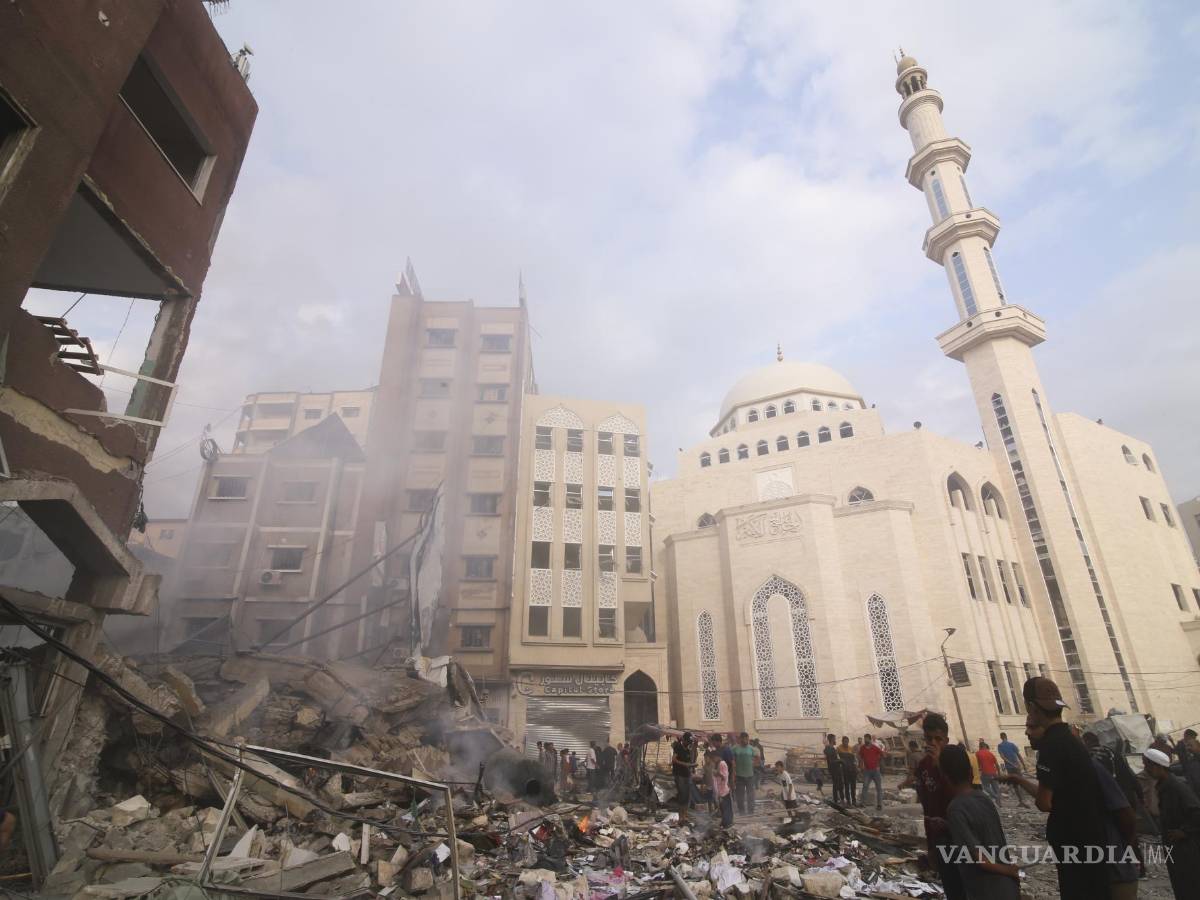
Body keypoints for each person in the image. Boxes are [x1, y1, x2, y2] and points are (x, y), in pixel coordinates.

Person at [999, 677, 1109, 900]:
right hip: (1093, 835)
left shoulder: (1050, 746)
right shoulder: (1072, 740)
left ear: (1031, 707)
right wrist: (1019, 780)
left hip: (1072, 840)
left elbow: (1044, 802)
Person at [940, 744, 1020, 899]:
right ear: (971, 772)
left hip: (987, 890)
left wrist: (1010, 871)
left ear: (945, 777)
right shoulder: (983, 798)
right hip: (1007, 886)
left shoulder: (955, 809)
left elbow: (981, 860)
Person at [914, 713, 965, 900]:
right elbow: (927, 807)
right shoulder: (922, 766)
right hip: (939, 837)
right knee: (951, 887)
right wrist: (931, 846)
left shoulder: (956, 761)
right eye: (929, 738)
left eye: (938, 739)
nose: (933, 743)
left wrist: (940, 766)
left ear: (946, 739)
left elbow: (962, 796)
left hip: (960, 834)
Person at [1144, 747, 1200, 898]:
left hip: (1186, 848)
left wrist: (1184, 831)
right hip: (1174, 847)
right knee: (1181, 884)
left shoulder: (1176, 787)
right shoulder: (1163, 786)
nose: (1145, 769)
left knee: (1190, 885)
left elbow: (1197, 812)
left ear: (1157, 766)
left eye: (1147, 765)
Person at [995, 732, 1027, 808]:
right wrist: (1023, 765)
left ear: (1001, 737)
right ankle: (1024, 800)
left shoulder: (1000, 746)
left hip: (1010, 767)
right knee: (1022, 782)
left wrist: (1012, 764)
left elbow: (1003, 757)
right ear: (1006, 736)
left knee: (1015, 784)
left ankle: (1021, 801)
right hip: (1017, 766)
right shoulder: (1012, 744)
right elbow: (1019, 755)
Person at [672, 731, 696, 823]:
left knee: (687, 795)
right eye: (688, 742)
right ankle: (680, 816)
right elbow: (674, 760)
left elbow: (689, 761)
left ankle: (685, 815)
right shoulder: (678, 747)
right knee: (682, 795)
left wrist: (691, 765)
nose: (689, 744)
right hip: (679, 775)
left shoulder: (687, 749)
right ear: (684, 740)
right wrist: (685, 764)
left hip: (687, 775)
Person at [732, 732, 757, 815]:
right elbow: (732, 759)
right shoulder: (735, 749)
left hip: (750, 776)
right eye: (743, 739)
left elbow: (758, 758)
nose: (745, 740)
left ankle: (751, 811)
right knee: (740, 796)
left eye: (747, 739)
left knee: (751, 795)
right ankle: (741, 811)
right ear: (740, 739)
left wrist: (753, 765)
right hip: (739, 776)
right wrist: (734, 768)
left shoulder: (752, 749)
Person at [707, 747, 733, 827]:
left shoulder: (722, 763)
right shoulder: (717, 764)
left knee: (726, 808)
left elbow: (724, 777)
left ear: (717, 756)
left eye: (713, 758)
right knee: (722, 808)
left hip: (724, 791)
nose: (713, 760)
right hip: (720, 791)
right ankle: (725, 822)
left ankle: (727, 823)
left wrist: (717, 773)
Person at [860, 733, 885, 811]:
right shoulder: (862, 748)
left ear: (870, 739)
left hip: (875, 770)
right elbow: (860, 758)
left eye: (867, 739)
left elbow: (883, 755)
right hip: (867, 771)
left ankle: (879, 804)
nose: (865, 740)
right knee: (865, 786)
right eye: (865, 739)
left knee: (878, 788)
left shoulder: (875, 747)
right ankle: (863, 803)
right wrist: (860, 767)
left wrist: (878, 761)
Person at [976, 740, 1000, 805]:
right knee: (996, 788)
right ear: (985, 746)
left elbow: (977, 764)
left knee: (985, 786)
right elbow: (997, 764)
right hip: (994, 772)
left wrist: (978, 770)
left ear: (980, 747)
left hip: (985, 772)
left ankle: (995, 796)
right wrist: (999, 774)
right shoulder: (990, 753)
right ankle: (999, 803)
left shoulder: (977, 753)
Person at [838, 736, 859, 807]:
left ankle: (854, 801)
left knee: (853, 786)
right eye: (844, 741)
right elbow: (838, 758)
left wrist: (856, 767)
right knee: (847, 787)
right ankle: (849, 802)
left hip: (852, 770)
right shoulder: (839, 748)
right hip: (845, 770)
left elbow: (855, 759)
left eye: (847, 741)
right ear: (842, 741)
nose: (846, 743)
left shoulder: (851, 748)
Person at [824, 734, 845, 804]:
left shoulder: (832, 748)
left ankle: (840, 799)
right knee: (837, 784)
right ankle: (837, 800)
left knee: (840, 784)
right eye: (834, 739)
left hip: (836, 768)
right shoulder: (829, 749)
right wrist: (840, 761)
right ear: (832, 739)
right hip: (834, 769)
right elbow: (831, 761)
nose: (835, 740)